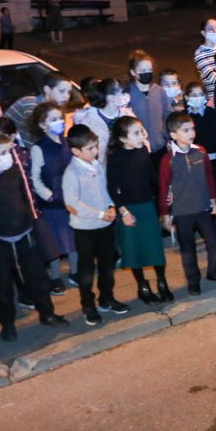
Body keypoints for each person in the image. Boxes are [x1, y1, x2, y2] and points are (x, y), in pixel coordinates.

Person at [0, 130, 71, 341]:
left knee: (38, 278)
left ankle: (47, 313)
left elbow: (25, 197)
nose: (9, 155)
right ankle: (8, 323)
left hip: (24, 234)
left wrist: (30, 223)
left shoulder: (13, 172)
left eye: (9, 150)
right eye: (3, 152)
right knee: (3, 284)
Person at [61, 127, 129, 327]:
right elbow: (72, 204)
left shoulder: (97, 165)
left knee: (107, 266)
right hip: (85, 229)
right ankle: (88, 305)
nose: (95, 151)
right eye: (90, 148)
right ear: (76, 151)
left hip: (105, 225)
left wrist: (110, 206)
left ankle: (107, 298)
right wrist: (100, 214)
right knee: (86, 270)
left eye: (96, 147)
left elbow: (104, 189)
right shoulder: (72, 173)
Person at [159, 112, 216, 295]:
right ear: (174, 135)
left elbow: (209, 176)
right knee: (188, 250)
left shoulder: (200, 151)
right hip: (183, 212)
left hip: (203, 208)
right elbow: (163, 187)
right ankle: (193, 280)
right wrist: (166, 214)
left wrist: (213, 199)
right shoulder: (168, 160)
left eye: (192, 129)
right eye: (185, 130)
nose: (191, 133)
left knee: (214, 242)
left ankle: (214, 272)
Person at [108, 117, 171, 304]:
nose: (142, 135)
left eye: (142, 130)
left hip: (147, 206)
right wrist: (123, 212)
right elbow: (112, 188)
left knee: (155, 248)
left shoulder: (143, 150)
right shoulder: (115, 158)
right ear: (123, 138)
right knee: (134, 251)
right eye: (136, 133)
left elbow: (152, 175)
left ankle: (162, 282)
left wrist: (167, 188)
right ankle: (142, 286)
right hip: (129, 210)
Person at [28, 102, 77, 292]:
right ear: (42, 125)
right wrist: (48, 196)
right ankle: (55, 277)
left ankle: (75, 271)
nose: (59, 122)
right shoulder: (39, 148)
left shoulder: (67, 142)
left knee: (73, 239)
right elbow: (35, 177)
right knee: (54, 242)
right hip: (52, 203)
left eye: (60, 118)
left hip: (70, 199)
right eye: (53, 119)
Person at [126, 50, 169, 155]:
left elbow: (168, 116)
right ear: (133, 72)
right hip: (137, 149)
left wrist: (168, 138)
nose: (147, 73)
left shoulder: (159, 91)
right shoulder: (126, 94)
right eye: (143, 70)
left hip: (160, 147)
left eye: (149, 70)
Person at [194, 17, 216, 100]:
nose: (215, 31)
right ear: (203, 33)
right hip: (214, 98)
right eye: (211, 29)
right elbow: (213, 78)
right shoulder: (200, 53)